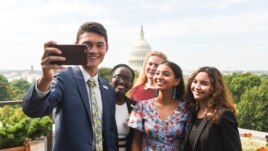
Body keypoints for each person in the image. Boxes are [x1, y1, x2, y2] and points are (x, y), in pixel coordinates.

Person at [22, 22, 118, 151]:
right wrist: (45, 79)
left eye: (99, 45)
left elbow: (110, 131)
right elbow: (34, 110)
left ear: (106, 48)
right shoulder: (63, 78)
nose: (93, 50)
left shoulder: (108, 88)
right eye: (87, 45)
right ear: (77, 46)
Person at [128, 61, 191, 150]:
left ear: (177, 81)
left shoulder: (186, 109)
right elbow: (136, 141)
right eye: (157, 73)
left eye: (166, 74)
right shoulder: (142, 106)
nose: (159, 77)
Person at [184, 66, 242, 151]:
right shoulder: (193, 113)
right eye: (195, 82)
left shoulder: (223, 115)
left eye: (204, 83)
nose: (197, 87)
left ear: (215, 88)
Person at [109, 64, 137, 151]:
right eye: (118, 77)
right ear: (110, 80)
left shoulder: (135, 107)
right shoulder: (100, 103)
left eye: (127, 79)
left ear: (131, 85)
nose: (122, 81)